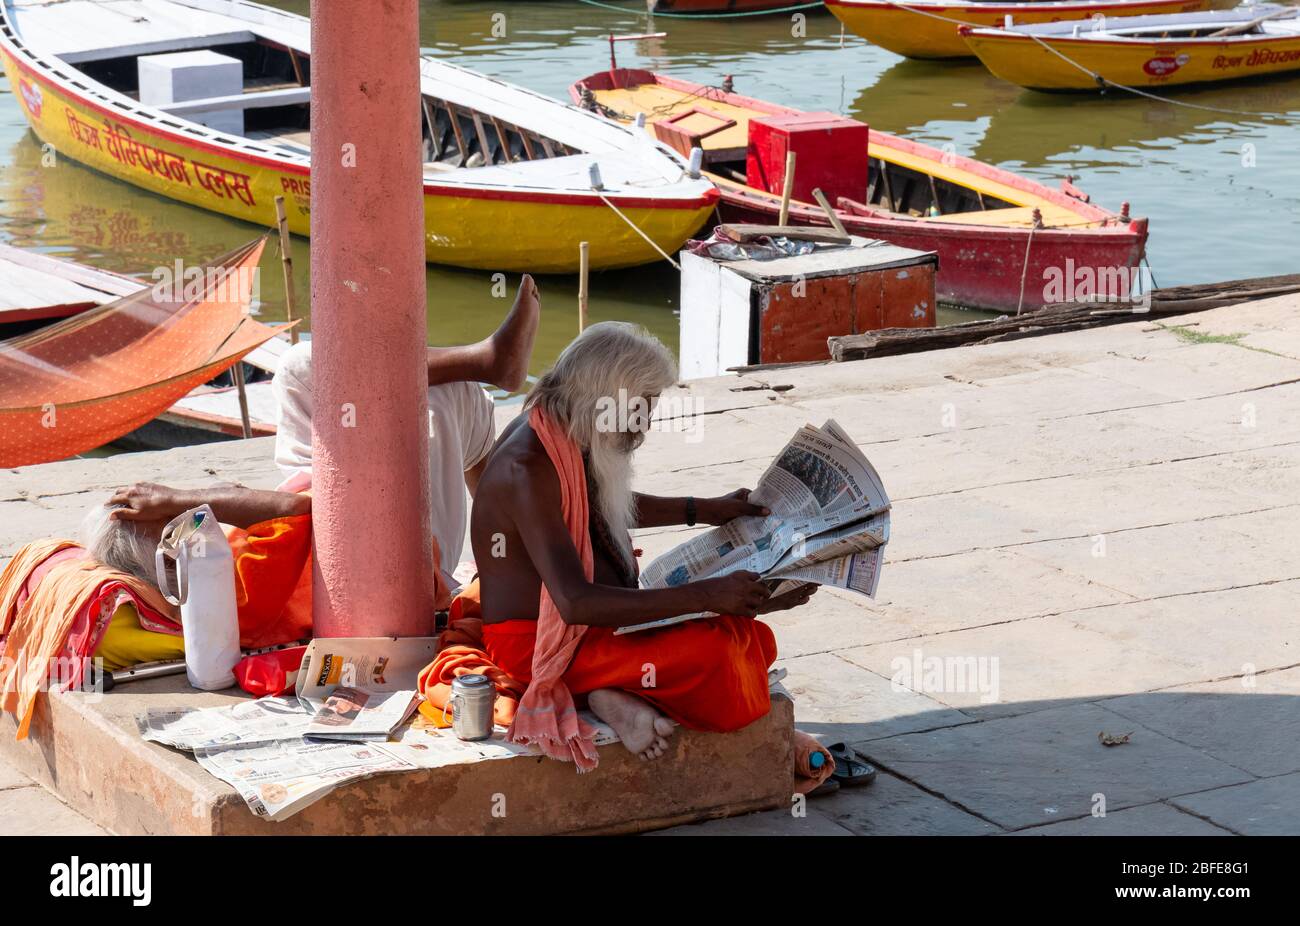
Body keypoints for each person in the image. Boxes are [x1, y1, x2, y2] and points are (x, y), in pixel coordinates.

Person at [468, 321, 816, 767]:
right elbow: (574, 603)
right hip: (538, 645)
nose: (646, 424)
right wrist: (707, 595)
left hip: (594, 628)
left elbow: (599, 505)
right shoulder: (528, 467)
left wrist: (704, 509)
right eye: (643, 406)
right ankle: (597, 692)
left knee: (751, 637)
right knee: (720, 659)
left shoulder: (561, 426)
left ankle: (609, 689)